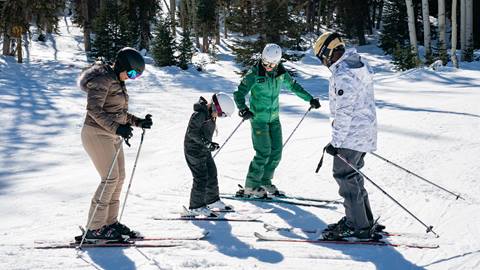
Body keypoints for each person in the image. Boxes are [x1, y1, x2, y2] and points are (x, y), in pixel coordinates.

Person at [76, 47, 153, 241]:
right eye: (133, 73)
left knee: (119, 178)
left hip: (110, 134)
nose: (133, 78)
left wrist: (138, 121)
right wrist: (117, 129)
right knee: (109, 178)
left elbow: (118, 113)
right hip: (96, 133)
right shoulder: (102, 79)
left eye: (137, 76)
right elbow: (93, 109)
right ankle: (94, 228)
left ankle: (109, 223)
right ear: (122, 65)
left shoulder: (117, 80)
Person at [313, 32, 383, 240]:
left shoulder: (344, 74)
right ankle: (364, 220)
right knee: (353, 176)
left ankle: (357, 225)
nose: (323, 62)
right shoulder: (357, 66)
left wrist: (336, 142)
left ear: (329, 52)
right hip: (363, 134)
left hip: (351, 136)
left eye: (322, 57)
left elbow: (345, 112)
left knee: (344, 176)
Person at [233, 43, 321, 198]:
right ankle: (251, 186)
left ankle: (265, 180)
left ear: (278, 62)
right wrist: (243, 109)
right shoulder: (255, 73)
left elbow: (294, 87)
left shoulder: (280, 72)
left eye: (272, 64)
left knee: (276, 152)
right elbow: (239, 93)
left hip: (274, 118)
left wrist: (310, 99)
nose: (268, 66)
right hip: (258, 119)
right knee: (263, 152)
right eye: (266, 62)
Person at [183, 92, 236, 217]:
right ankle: (196, 207)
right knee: (201, 177)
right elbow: (192, 133)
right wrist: (207, 144)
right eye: (222, 114)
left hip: (203, 149)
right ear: (216, 107)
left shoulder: (209, 114)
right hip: (193, 150)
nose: (220, 117)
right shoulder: (200, 114)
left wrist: (210, 144)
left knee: (212, 172)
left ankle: (212, 201)